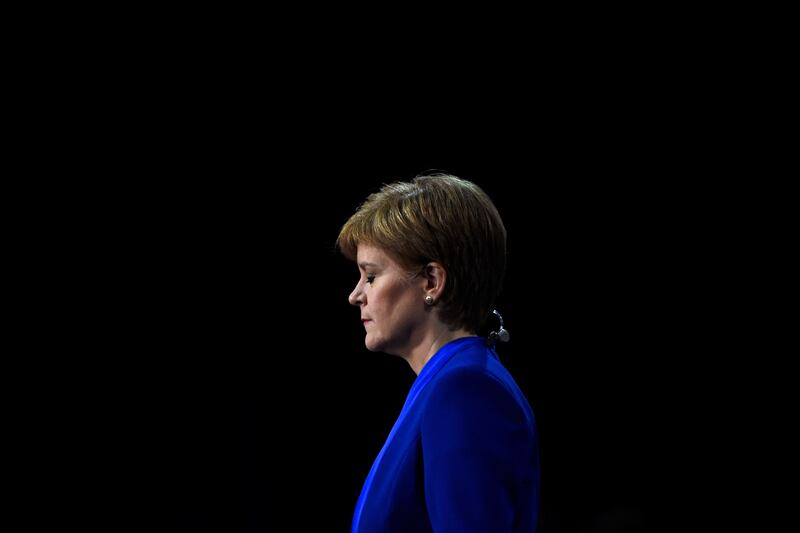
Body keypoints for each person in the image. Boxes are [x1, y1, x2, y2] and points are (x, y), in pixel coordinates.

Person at [337, 172, 540, 532]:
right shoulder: (446, 382)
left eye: (370, 276)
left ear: (432, 281)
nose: (356, 295)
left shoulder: (465, 391)